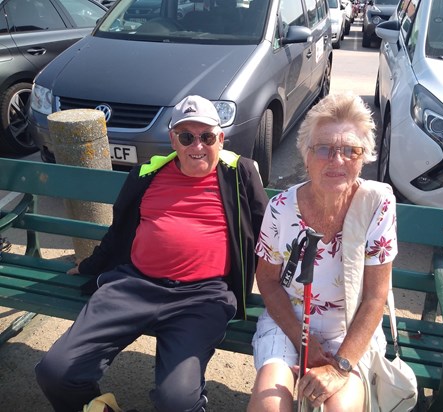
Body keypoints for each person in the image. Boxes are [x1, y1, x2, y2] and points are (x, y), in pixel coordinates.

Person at [35, 95, 268, 412]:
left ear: (221, 138)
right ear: (173, 139)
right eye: (186, 136)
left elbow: (270, 233)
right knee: (55, 372)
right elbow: (119, 231)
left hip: (202, 297)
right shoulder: (147, 174)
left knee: (177, 401)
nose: (196, 145)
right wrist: (91, 265)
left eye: (206, 136)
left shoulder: (240, 173)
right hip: (134, 286)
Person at [247, 93, 398, 411]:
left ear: (363, 156)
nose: (337, 160)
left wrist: (339, 366)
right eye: (325, 149)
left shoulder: (376, 206)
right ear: (306, 156)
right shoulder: (281, 209)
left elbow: (374, 297)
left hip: (349, 328)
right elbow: (269, 281)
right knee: (269, 407)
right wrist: (306, 344)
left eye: (350, 150)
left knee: (340, 408)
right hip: (288, 322)